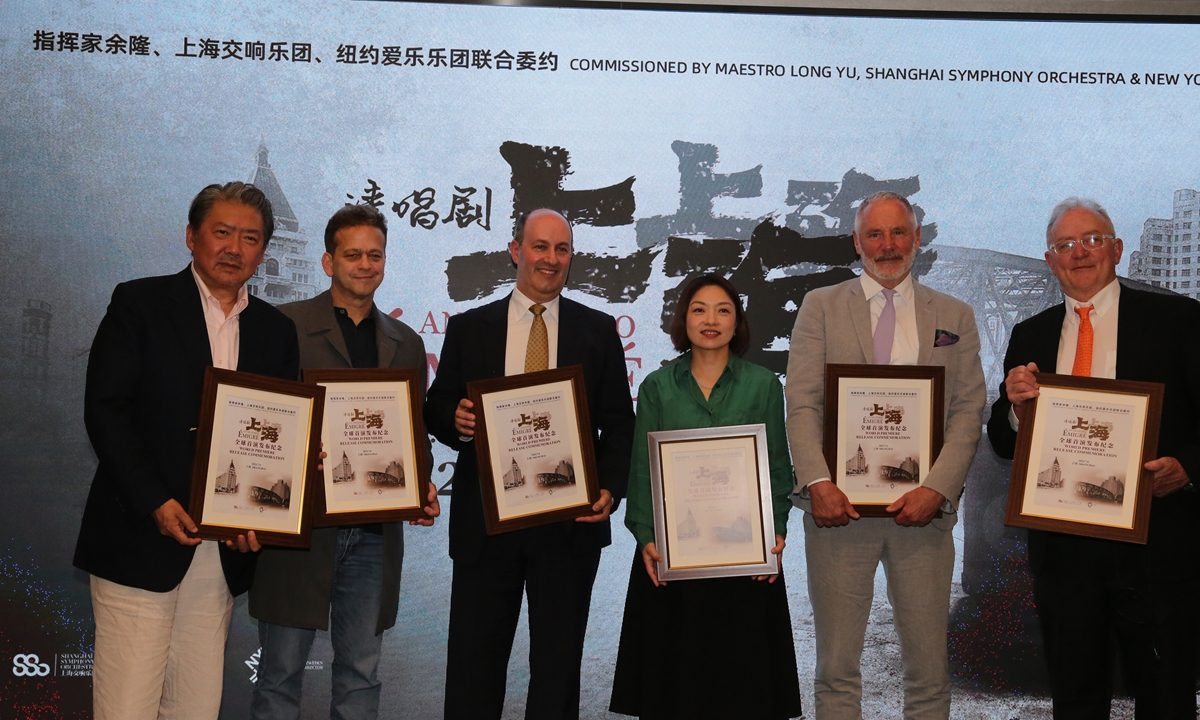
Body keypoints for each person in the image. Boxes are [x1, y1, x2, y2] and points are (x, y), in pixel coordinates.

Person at [73, 182, 299, 720]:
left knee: (195, 706)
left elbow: (279, 434)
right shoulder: (140, 303)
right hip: (140, 539)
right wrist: (154, 501)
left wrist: (261, 515)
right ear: (192, 237)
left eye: (250, 238)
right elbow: (106, 411)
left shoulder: (276, 331)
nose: (235, 248)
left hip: (219, 554)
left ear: (263, 251)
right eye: (222, 232)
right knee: (126, 705)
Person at [987, 197, 1200, 718]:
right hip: (1065, 556)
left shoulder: (1179, 319)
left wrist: (1188, 467)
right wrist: (1015, 411)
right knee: (1076, 701)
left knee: (1166, 698)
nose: (1079, 253)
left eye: (1092, 240)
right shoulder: (1030, 334)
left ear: (1117, 249)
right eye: (1065, 245)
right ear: (1050, 260)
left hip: (1157, 546)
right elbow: (1003, 440)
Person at [424, 208, 635, 720]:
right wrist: (456, 419)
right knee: (473, 669)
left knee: (557, 673)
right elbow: (437, 404)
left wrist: (609, 489)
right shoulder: (470, 328)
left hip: (568, 526)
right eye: (540, 246)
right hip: (486, 525)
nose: (551, 259)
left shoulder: (598, 330)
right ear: (516, 250)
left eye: (562, 249)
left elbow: (619, 423)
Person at [785, 191, 986, 719]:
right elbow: (802, 403)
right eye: (875, 234)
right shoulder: (820, 306)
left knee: (929, 674)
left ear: (917, 238)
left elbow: (968, 410)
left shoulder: (956, 315)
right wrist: (818, 482)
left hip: (924, 518)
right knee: (836, 672)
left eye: (898, 232)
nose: (887, 244)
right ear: (857, 242)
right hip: (838, 514)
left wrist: (937, 488)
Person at [248, 204, 440, 720]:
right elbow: (258, 422)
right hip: (300, 531)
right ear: (328, 262)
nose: (365, 265)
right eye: (352, 255)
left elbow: (413, 432)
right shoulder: (284, 326)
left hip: (374, 535)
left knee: (360, 677)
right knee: (279, 676)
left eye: (375, 255)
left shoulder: (406, 343)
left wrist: (420, 484)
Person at [609, 274, 803, 720]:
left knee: (745, 688)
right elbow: (642, 472)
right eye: (699, 309)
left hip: (746, 556)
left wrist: (775, 529)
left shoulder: (764, 385)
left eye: (723, 310)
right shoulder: (657, 386)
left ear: (737, 323)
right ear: (684, 320)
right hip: (673, 555)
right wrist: (645, 537)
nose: (710, 319)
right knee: (675, 688)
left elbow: (777, 466)